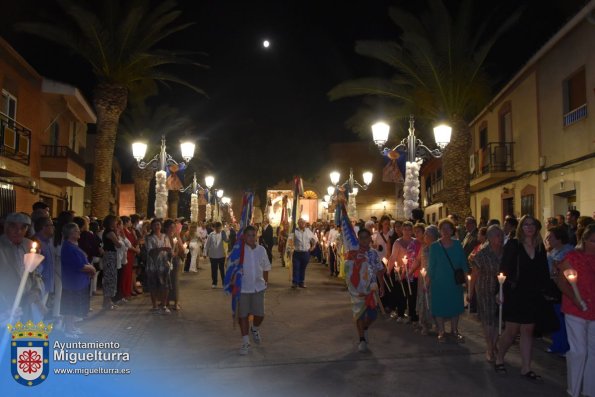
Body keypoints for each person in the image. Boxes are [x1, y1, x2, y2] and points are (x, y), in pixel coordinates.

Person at [495, 215, 550, 381]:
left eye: (532, 224)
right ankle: (499, 357)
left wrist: (547, 290)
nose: (529, 227)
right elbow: (503, 268)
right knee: (511, 332)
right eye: (526, 224)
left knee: (528, 330)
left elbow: (543, 272)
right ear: (521, 227)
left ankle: (526, 368)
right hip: (514, 292)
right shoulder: (514, 245)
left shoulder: (540, 247)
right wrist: (500, 290)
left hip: (532, 294)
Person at [556, 223, 595, 397]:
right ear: (585, 240)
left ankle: (589, 390)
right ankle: (574, 390)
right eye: (594, 241)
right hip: (575, 309)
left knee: (593, 352)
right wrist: (575, 299)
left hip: (593, 310)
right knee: (579, 351)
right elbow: (561, 282)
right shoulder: (573, 257)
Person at [344, 228, 385, 352]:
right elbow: (348, 270)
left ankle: (365, 328)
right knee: (359, 314)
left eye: (366, 237)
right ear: (358, 239)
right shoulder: (353, 253)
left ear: (370, 239)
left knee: (373, 315)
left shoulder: (373, 253)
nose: (364, 240)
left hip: (371, 289)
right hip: (357, 290)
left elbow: (379, 270)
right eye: (361, 237)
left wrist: (381, 285)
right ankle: (361, 339)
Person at [428, 218, 468, 342]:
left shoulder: (457, 245)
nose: (445, 231)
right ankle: (441, 331)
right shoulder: (434, 247)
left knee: (455, 305)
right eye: (443, 228)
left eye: (448, 228)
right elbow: (431, 266)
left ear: (452, 230)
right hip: (438, 282)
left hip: (454, 281)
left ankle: (455, 330)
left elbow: (463, 263)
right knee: (439, 306)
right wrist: (428, 281)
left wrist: (466, 280)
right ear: (439, 231)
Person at [469, 225, 504, 362]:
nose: (500, 238)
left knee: (498, 320)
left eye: (501, 235)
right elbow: (475, 274)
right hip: (485, 290)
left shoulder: (505, 252)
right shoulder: (482, 254)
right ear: (489, 238)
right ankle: (490, 347)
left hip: (500, 290)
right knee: (488, 320)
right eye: (497, 236)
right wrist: (470, 292)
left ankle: (494, 344)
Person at [0, 213, 44, 322]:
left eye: (23, 227)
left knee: (23, 334)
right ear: (6, 227)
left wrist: (36, 290)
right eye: (13, 226)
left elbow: (35, 273)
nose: (18, 231)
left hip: (27, 300)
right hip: (5, 303)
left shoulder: (29, 245)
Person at [237, 226, 271, 355]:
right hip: (243, 288)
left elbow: (266, 267)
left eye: (254, 235)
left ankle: (255, 329)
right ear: (244, 237)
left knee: (260, 315)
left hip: (258, 287)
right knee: (243, 316)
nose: (252, 238)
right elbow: (231, 265)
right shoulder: (239, 251)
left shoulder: (261, 250)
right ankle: (246, 342)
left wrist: (265, 282)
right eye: (249, 235)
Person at [60, 222, 96, 338]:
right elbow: (77, 265)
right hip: (72, 282)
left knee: (74, 306)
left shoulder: (73, 245)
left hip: (78, 282)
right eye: (76, 230)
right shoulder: (68, 247)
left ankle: (72, 326)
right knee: (69, 307)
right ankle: (68, 329)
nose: (79, 232)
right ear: (70, 233)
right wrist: (91, 269)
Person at [545, 225, 574, 355]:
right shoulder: (553, 251)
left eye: (551, 237)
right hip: (553, 286)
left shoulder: (568, 251)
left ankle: (564, 346)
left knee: (562, 318)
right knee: (555, 317)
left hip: (563, 288)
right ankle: (557, 343)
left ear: (559, 238)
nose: (548, 239)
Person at [389, 221, 421, 323]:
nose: (407, 232)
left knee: (412, 294)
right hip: (400, 271)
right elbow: (393, 256)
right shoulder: (398, 242)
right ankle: (401, 313)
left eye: (409, 229)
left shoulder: (416, 241)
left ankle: (412, 314)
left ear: (412, 231)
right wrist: (388, 269)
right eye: (405, 229)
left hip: (412, 271)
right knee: (400, 292)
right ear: (402, 230)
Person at [145, 219, 172, 314]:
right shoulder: (149, 238)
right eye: (155, 225)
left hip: (164, 264)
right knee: (154, 285)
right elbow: (150, 251)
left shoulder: (165, 237)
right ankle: (154, 306)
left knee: (165, 285)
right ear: (152, 227)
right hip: (153, 265)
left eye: (159, 224)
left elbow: (169, 249)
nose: (157, 226)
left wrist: (170, 252)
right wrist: (162, 249)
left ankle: (164, 305)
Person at [417, 225, 438, 335]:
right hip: (423, 278)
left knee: (433, 301)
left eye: (427, 234)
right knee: (424, 301)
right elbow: (419, 261)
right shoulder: (424, 248)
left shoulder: (438, 248)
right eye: (425, 234)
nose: (425, 236)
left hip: (434, 278)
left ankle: (436, 323)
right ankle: (424, 324)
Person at [33, 216, 56, 317]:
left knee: (40, 315)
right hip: (38, 284)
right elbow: (34, 266)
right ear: (44, 227)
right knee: (36, 314)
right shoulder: (36, 242)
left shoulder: (48, 241)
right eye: (51, 225)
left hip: (46, 283)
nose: (53, 228)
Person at [101, 215, 122, 309]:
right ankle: (106, 302)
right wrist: (118, 235)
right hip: (109, 256)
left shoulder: (109, 231)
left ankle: (108, 301)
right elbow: (118, 244)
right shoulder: (109, 232)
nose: (116, 223)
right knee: (109, 278)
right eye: (115, 221)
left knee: (111, 278)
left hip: (111, 256)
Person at [291, 218, 317, 288]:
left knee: (303, 268)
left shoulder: (308, 231)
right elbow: (290, 240)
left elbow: (314, 239)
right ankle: (295, 282)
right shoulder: (295, 231)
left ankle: (301, 282)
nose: (302, 224)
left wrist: (313, 246)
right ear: (298, 224)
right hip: (297, 252)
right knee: (296, 267)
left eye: (303, 223)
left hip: (306, 253)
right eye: (300, 223)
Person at [205, 221, 228, 288]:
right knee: (214, 269)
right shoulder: (211, 235)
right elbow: (207, 244)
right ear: (214, 228)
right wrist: (205, 252)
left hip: (221, 254)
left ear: (221, 228)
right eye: (217, 228)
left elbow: (226, 241)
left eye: (219, 228)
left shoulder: (223, 233)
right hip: (213, 255)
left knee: (222, 269)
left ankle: (224, 282)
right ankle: (214, 282)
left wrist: (225, 236)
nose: (218, 229)